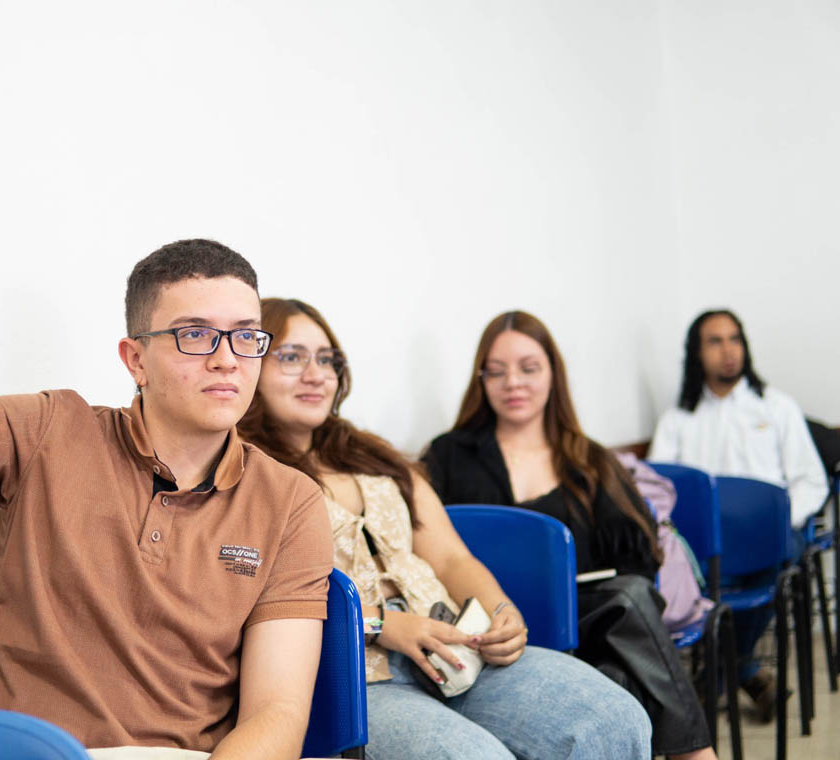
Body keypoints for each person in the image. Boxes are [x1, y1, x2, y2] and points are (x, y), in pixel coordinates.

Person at [0, 60, 334, 760]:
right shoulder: (51, 432)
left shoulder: (289, 502)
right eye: (196, 335)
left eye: (245, 337)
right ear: (134, 359)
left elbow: (276, 717)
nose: (227, 359)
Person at [238, 298, 652, 760]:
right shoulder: (247, 474)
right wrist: (381, 623)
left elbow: (451, 558)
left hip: (459, 648)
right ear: (252, 363)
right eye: (291, 357)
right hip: (357, 678)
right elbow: (259, 599)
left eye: (326, 358)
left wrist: (499, 609)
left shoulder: (374, 457)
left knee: (616, 718)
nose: (315, 374)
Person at [422, 310, 715, 760]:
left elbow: (640, 560)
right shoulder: (448, 455)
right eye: (495, 372)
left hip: (587, 623)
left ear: (553, 374)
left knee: (628, 605)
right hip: (486, 627)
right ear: (480, 380)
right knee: (621, 669)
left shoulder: (591, 461)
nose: (512, 383)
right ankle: (696, 754)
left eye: (528, 368)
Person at [649, 308, 829, 721]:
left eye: (735, 339)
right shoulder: (678, 420)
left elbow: (810, 481)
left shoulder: (776, 407)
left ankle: (712, 681)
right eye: (715, 341)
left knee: (779, 552)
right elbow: (659, 492)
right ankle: (744, 670)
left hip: (771, 543)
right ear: (697, 354)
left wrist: (781, 522)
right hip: (710, 552)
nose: (728, 351)